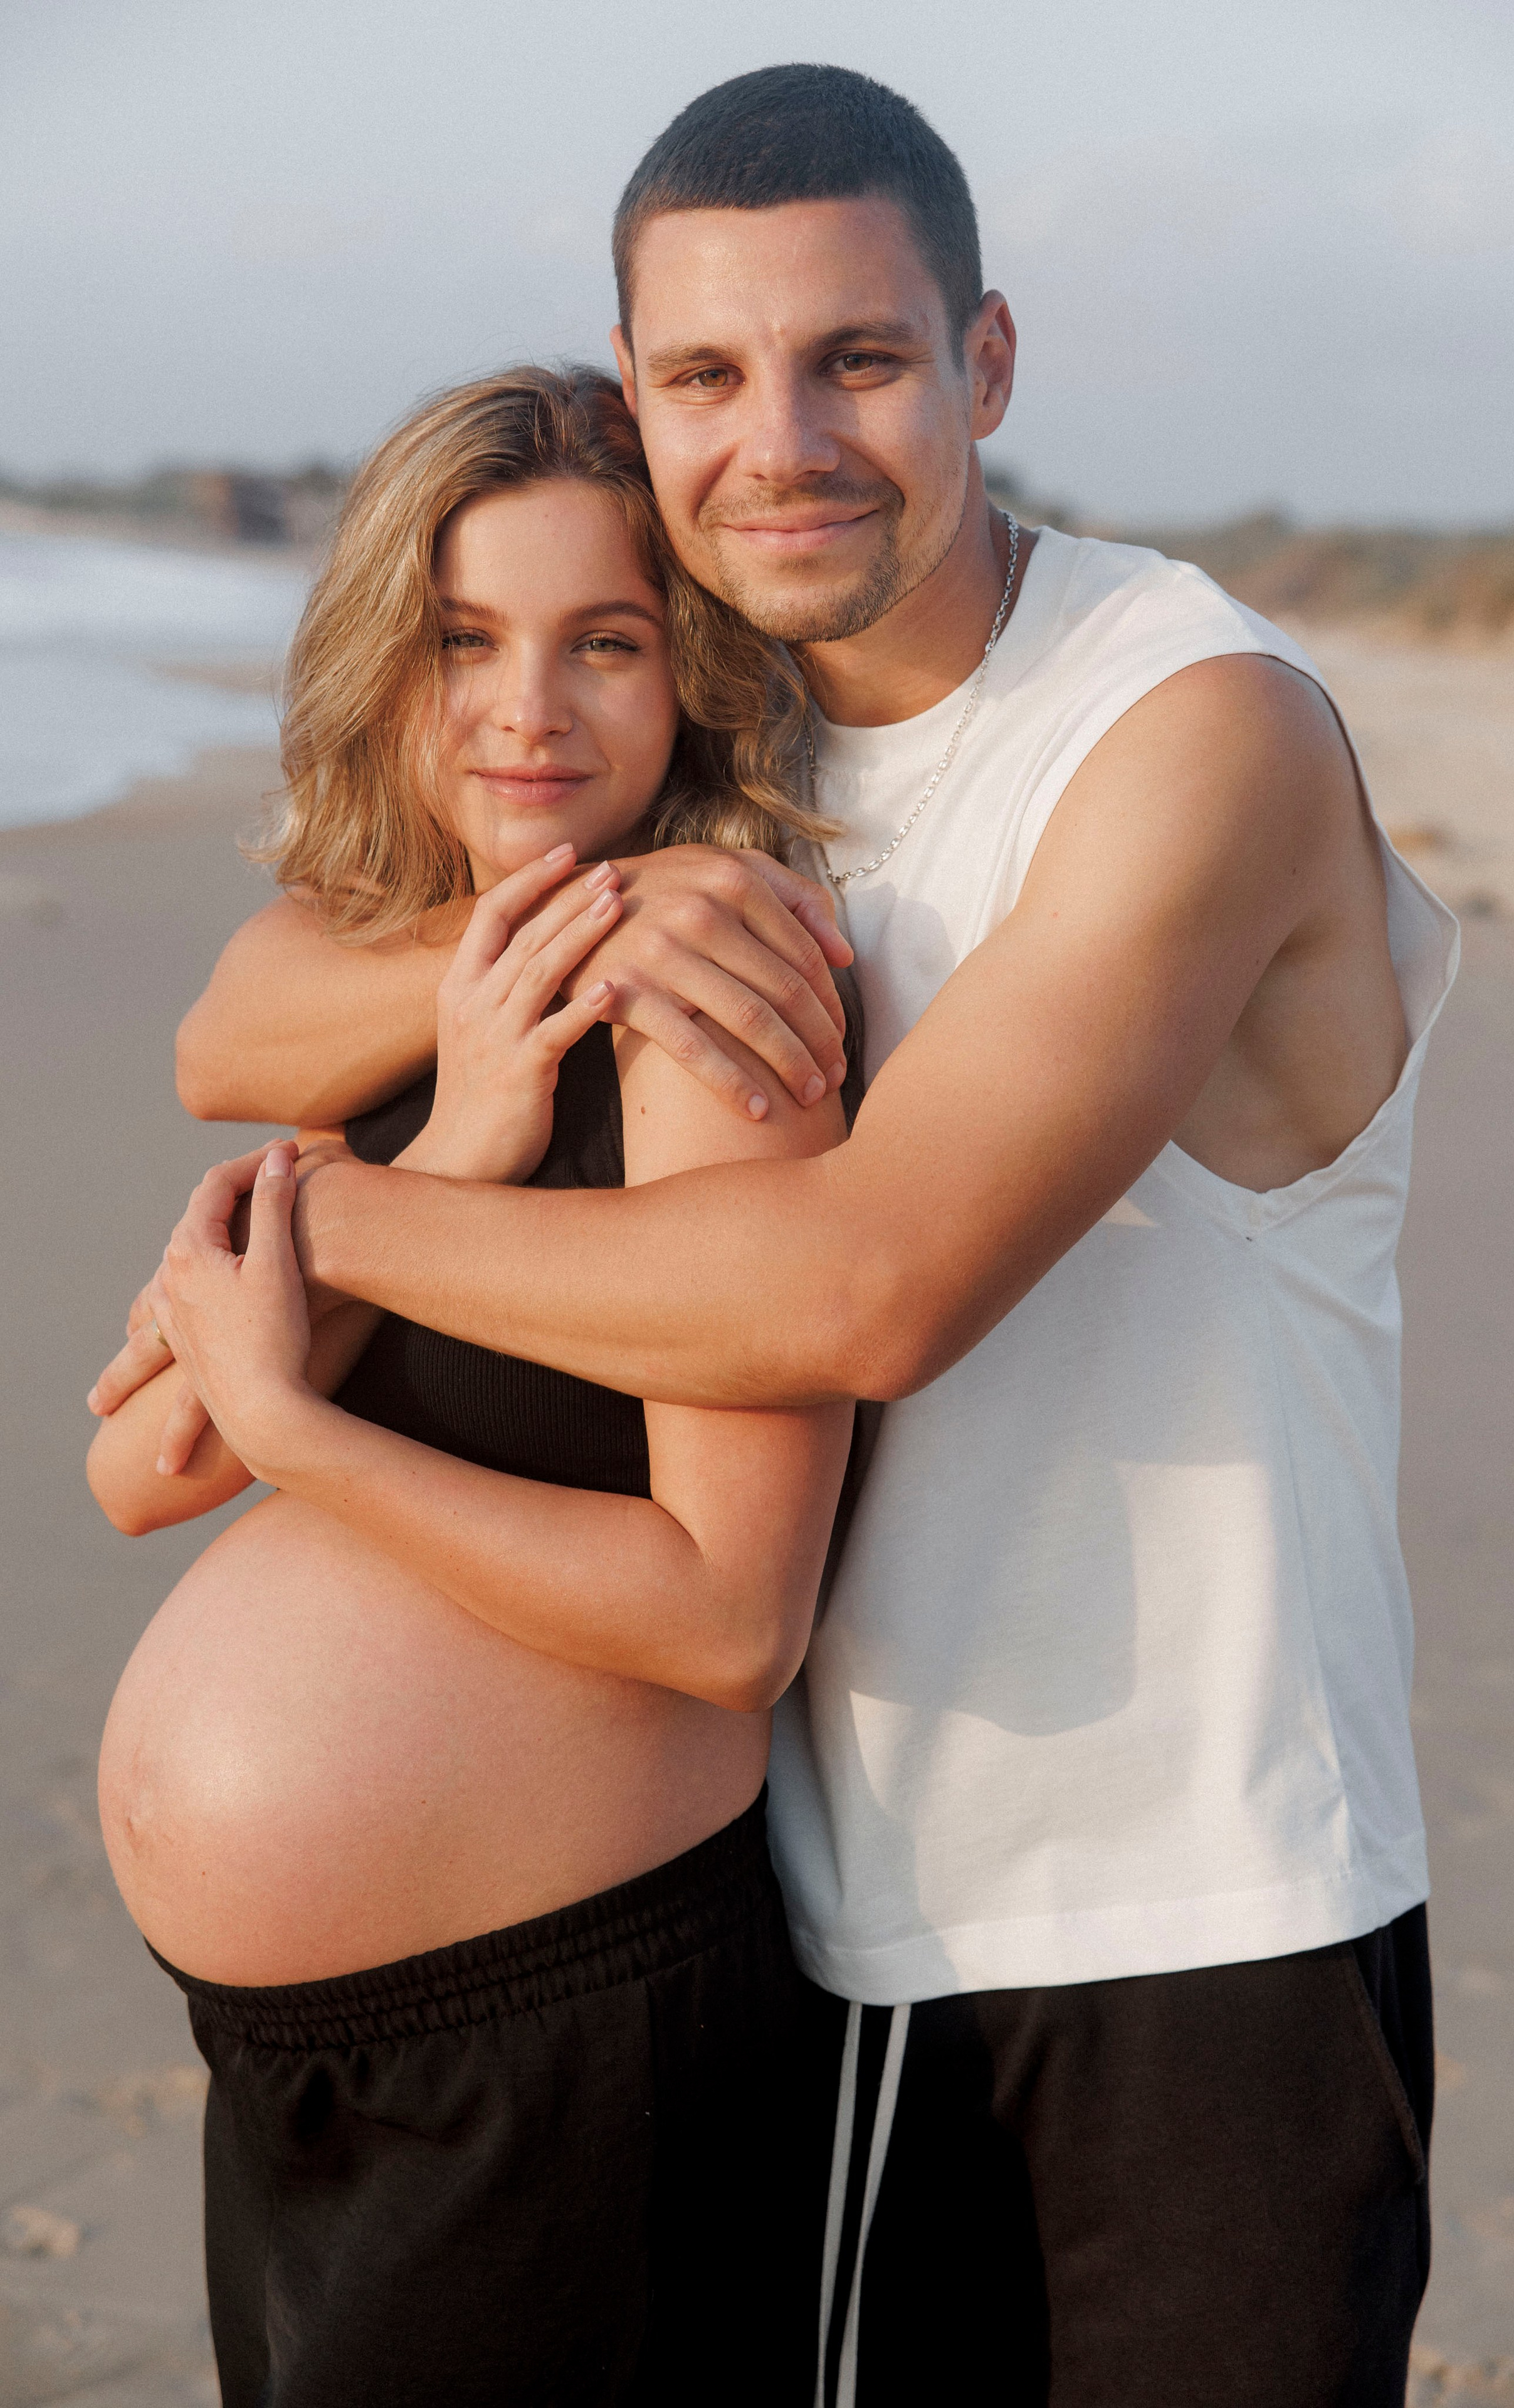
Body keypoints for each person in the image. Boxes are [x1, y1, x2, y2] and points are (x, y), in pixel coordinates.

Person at [95, 65, 1456, 2408]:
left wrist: (327, 1239)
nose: (785, 439)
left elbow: (868, 1283)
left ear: (987, 366)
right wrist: (493, 989)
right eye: (710, 377)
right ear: (641, 404)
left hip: (1199, 1923)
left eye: (860, 359)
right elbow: (242, 1008)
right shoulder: (745, 775)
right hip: (845, 1932)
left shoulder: (1185, 724)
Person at [87, 364, 860, 2407]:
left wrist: (302, 1434)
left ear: (690, 670)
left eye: (604, 642)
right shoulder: (380, 1001)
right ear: (384, 660)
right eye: (464, 642)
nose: (530, 710)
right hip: (300, 2051)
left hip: (561, 2047)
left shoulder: (708, 1024)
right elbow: (139, 1464)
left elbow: (728, 1616)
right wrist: (456, 1149)